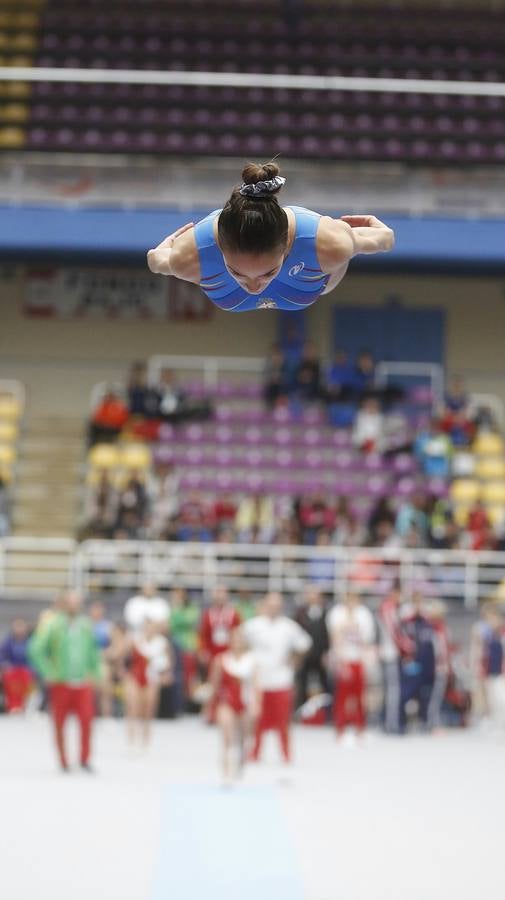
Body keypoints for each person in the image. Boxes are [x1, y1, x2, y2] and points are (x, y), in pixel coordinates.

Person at [147, 161, 394, 312]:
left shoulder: (328, 244)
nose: (254, 287)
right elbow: (155, 261)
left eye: (268, 272)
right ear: (219, 248)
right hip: (285, 288)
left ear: (287, 246)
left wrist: (383, 234)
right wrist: (162, 251)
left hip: (305, 278)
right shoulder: (189, 256)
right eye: (237, 272)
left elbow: (385, 239)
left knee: (339, 252)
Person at [29, 591, 101, 772]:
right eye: (70, 602)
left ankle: (84, 758)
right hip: (61, 682)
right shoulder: (53, 624)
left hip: (82, 681)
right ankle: (63, 760)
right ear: (64, 604)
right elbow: (36, 649)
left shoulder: (85, 624)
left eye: (77, 602)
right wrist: (48, 671)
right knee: (59, 722)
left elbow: (93, 650)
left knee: (86, 721)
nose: (74, 606)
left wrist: (95, 672)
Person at [243, 591, 311, 766]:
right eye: (271, 605)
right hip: (260, 680)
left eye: (277, 605)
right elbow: (239, 640)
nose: (274, 608)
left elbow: (305, 644)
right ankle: (255, 752)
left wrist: (295, 660)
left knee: (282, 720)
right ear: (265, 605)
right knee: (258, 719)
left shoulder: (288, 627)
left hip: (281, 679)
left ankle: (286, 753)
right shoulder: (253, 626)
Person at [210, 626, 260, 785]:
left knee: (244, 738)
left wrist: (256, 704)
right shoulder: (221, 660)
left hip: (245, 701)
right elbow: (215, 685)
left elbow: (256, 685)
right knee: (227, 737)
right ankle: (226, 772)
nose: (237, 642)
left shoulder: (252, 661)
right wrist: (210, 705)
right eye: (234, 639)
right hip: (227, 702)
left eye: (240, 639)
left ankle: (240, 761)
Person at [326, 592, 376, 740]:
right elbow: (335, 636)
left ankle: (360, 727)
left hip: (358, 659)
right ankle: (340, 728)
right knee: (342, 696)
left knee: (359, 696)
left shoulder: (363, 614)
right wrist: (339, 660)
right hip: (344, 659)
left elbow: (366, 638)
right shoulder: (336, 613)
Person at [124, 618, 172, 749]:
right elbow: (124, 657)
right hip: (135, 676)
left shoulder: (162, 643)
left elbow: (168, 662)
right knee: (133, 708)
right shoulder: (135, 640)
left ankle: (145, 740)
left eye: (152, 628)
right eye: (147, 628)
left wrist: (166, 674)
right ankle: (131, 740)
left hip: (152, 677)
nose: (149, 630)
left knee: (148, 710)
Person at [378, 580, 415, 734]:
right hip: (390, 653)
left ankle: (390, 721)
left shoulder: (393, 608)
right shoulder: (388, 608)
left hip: (392, 652)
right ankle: (391, 723)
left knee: (392, 689)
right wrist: (408, 647)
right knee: (393, 690)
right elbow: (394, 632)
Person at [295, 585, 330, 708]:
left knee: (325, 682)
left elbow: (328, 634)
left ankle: (327, 711)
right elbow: (297, 633)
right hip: (305, 655)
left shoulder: (327, 612)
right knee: (302, 681)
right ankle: (301, 709)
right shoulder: (300, 613)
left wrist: (327, 652)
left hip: (320, 654)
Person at [0, 618, 34, 713]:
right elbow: (2, 655)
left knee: (26, 677)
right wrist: (5, 665)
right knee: (11, 679)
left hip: (25, 670)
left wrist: (30, 668)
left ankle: (24, 705)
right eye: (17, 627)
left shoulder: (30, 641)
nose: (19, 629)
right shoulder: (8, 641)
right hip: (12, 670)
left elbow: (33, 657)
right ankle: (13, 705)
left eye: (21, 627)